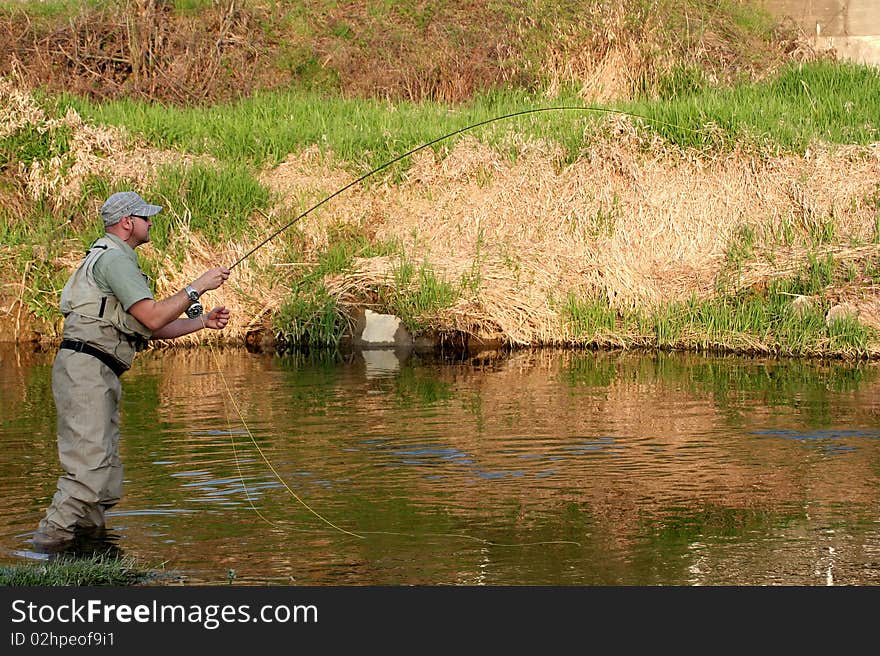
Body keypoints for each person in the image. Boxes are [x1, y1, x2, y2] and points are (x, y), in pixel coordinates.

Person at [32, 191, 231, 552]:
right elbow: (154, 315)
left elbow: (148, 327)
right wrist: (198, 286)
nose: (151, 222)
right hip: (87, 370)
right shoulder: (116, 261)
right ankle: (46, 548)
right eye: (146, 217)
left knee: (104, 475)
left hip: (95, 370)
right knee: (89, 470)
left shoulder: (114, 258)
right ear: (127, 222)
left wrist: (201, 322)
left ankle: (90, 550)